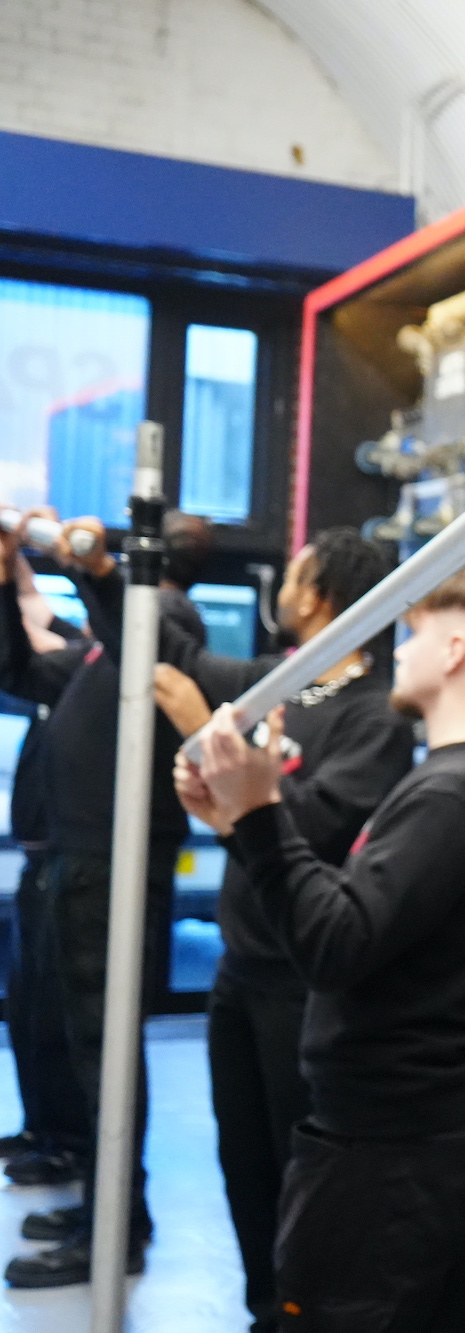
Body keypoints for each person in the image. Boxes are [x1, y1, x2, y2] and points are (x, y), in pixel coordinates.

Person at [177, 558, 465, 1331]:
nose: (398, 652)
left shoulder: (453, 793)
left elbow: (334, 944)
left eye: (414, 635)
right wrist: (239, 823)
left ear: (454, 651)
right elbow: (357, 917)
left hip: (395, 1144)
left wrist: (260, 814)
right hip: (422, 1130)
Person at [106, 527, 415, 1333]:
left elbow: (312, 826)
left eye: (295, 572)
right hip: (239, 969)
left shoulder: (373, 717)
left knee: (294, 1164)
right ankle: (262, 1308)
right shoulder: (282, 683)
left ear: (321, 595)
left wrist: (213, 738)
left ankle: (299, 1313)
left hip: (300, 980)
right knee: (240, 1154)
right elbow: (170, 654)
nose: (283, 583)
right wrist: (109, 571)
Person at [0, 507, 211, 1287]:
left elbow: (136, 632)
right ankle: (106, 1205)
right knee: (80, 1048)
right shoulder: (100, 651)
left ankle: (115, 1229)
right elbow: (20, 672)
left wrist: (87, 569)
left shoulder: (166, 619)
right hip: (80, 862)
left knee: (105, 1055)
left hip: (115, 866)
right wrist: (5, 581)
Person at [0, 556, 93, 1187]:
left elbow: (36, 637)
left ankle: (68, 1142)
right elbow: (31, 615)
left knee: (56, 1016)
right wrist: (14, 567)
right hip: (38, 859)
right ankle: (41, 1128)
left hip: (63, 858)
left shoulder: (84, 666)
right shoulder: (70, 660)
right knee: (27, 1007)